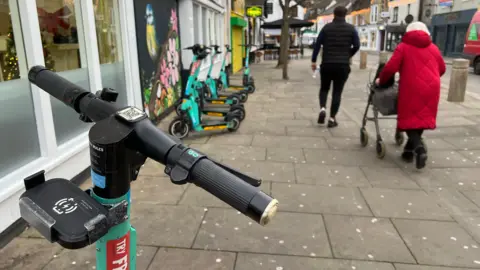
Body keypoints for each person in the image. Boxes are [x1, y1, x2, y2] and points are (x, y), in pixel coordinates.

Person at [375, 21, 446, 169]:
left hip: (411, 87)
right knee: (422, 117)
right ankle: (408, 151)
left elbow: (391, 68)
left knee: (408, 118)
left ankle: (419, 149)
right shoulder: (433, 48)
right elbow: (442, 68)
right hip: (433, 87)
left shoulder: (403, 47)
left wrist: (381, 80)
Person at [311, 6, 360, 128]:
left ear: (334, 14)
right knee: (337, 92)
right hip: (342, 65)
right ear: (345, 15)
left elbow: (317, 45)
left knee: (324, 88)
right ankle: (332, 119)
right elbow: (357, 45)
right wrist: (348, 54)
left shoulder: (326, 28)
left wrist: (313, 61)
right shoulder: (351, 29)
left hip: (327, 64)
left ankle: (322, 108)